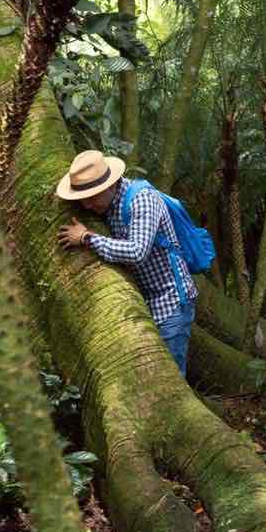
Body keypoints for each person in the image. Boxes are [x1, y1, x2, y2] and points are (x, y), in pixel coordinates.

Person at [54, 150, 198, 377]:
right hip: (143, 302)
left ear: (110, 186)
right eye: (83, 199)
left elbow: (137, 252)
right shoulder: (108, 205)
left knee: (169, 378)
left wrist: (87, 237)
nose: (87, 206)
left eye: (92, 198)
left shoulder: (142, 200)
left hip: (171, 302)